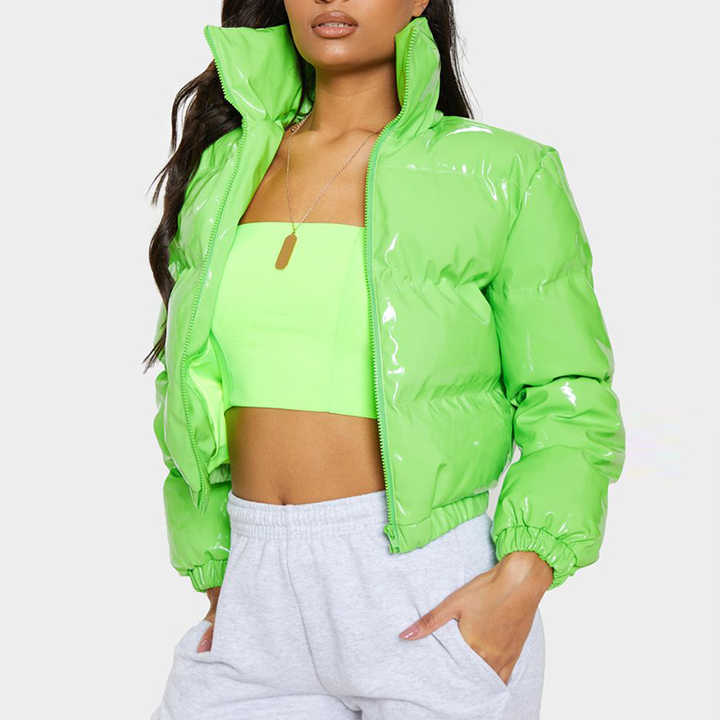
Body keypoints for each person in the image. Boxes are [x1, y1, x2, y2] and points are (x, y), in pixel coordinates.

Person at [144, 1, 626, 718]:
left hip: (428, 584)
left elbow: (567, 391)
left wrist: (526, 574)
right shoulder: (225, 168)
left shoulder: (503, 172)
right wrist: (216, 568)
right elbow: (187, 389)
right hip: (255, 590)